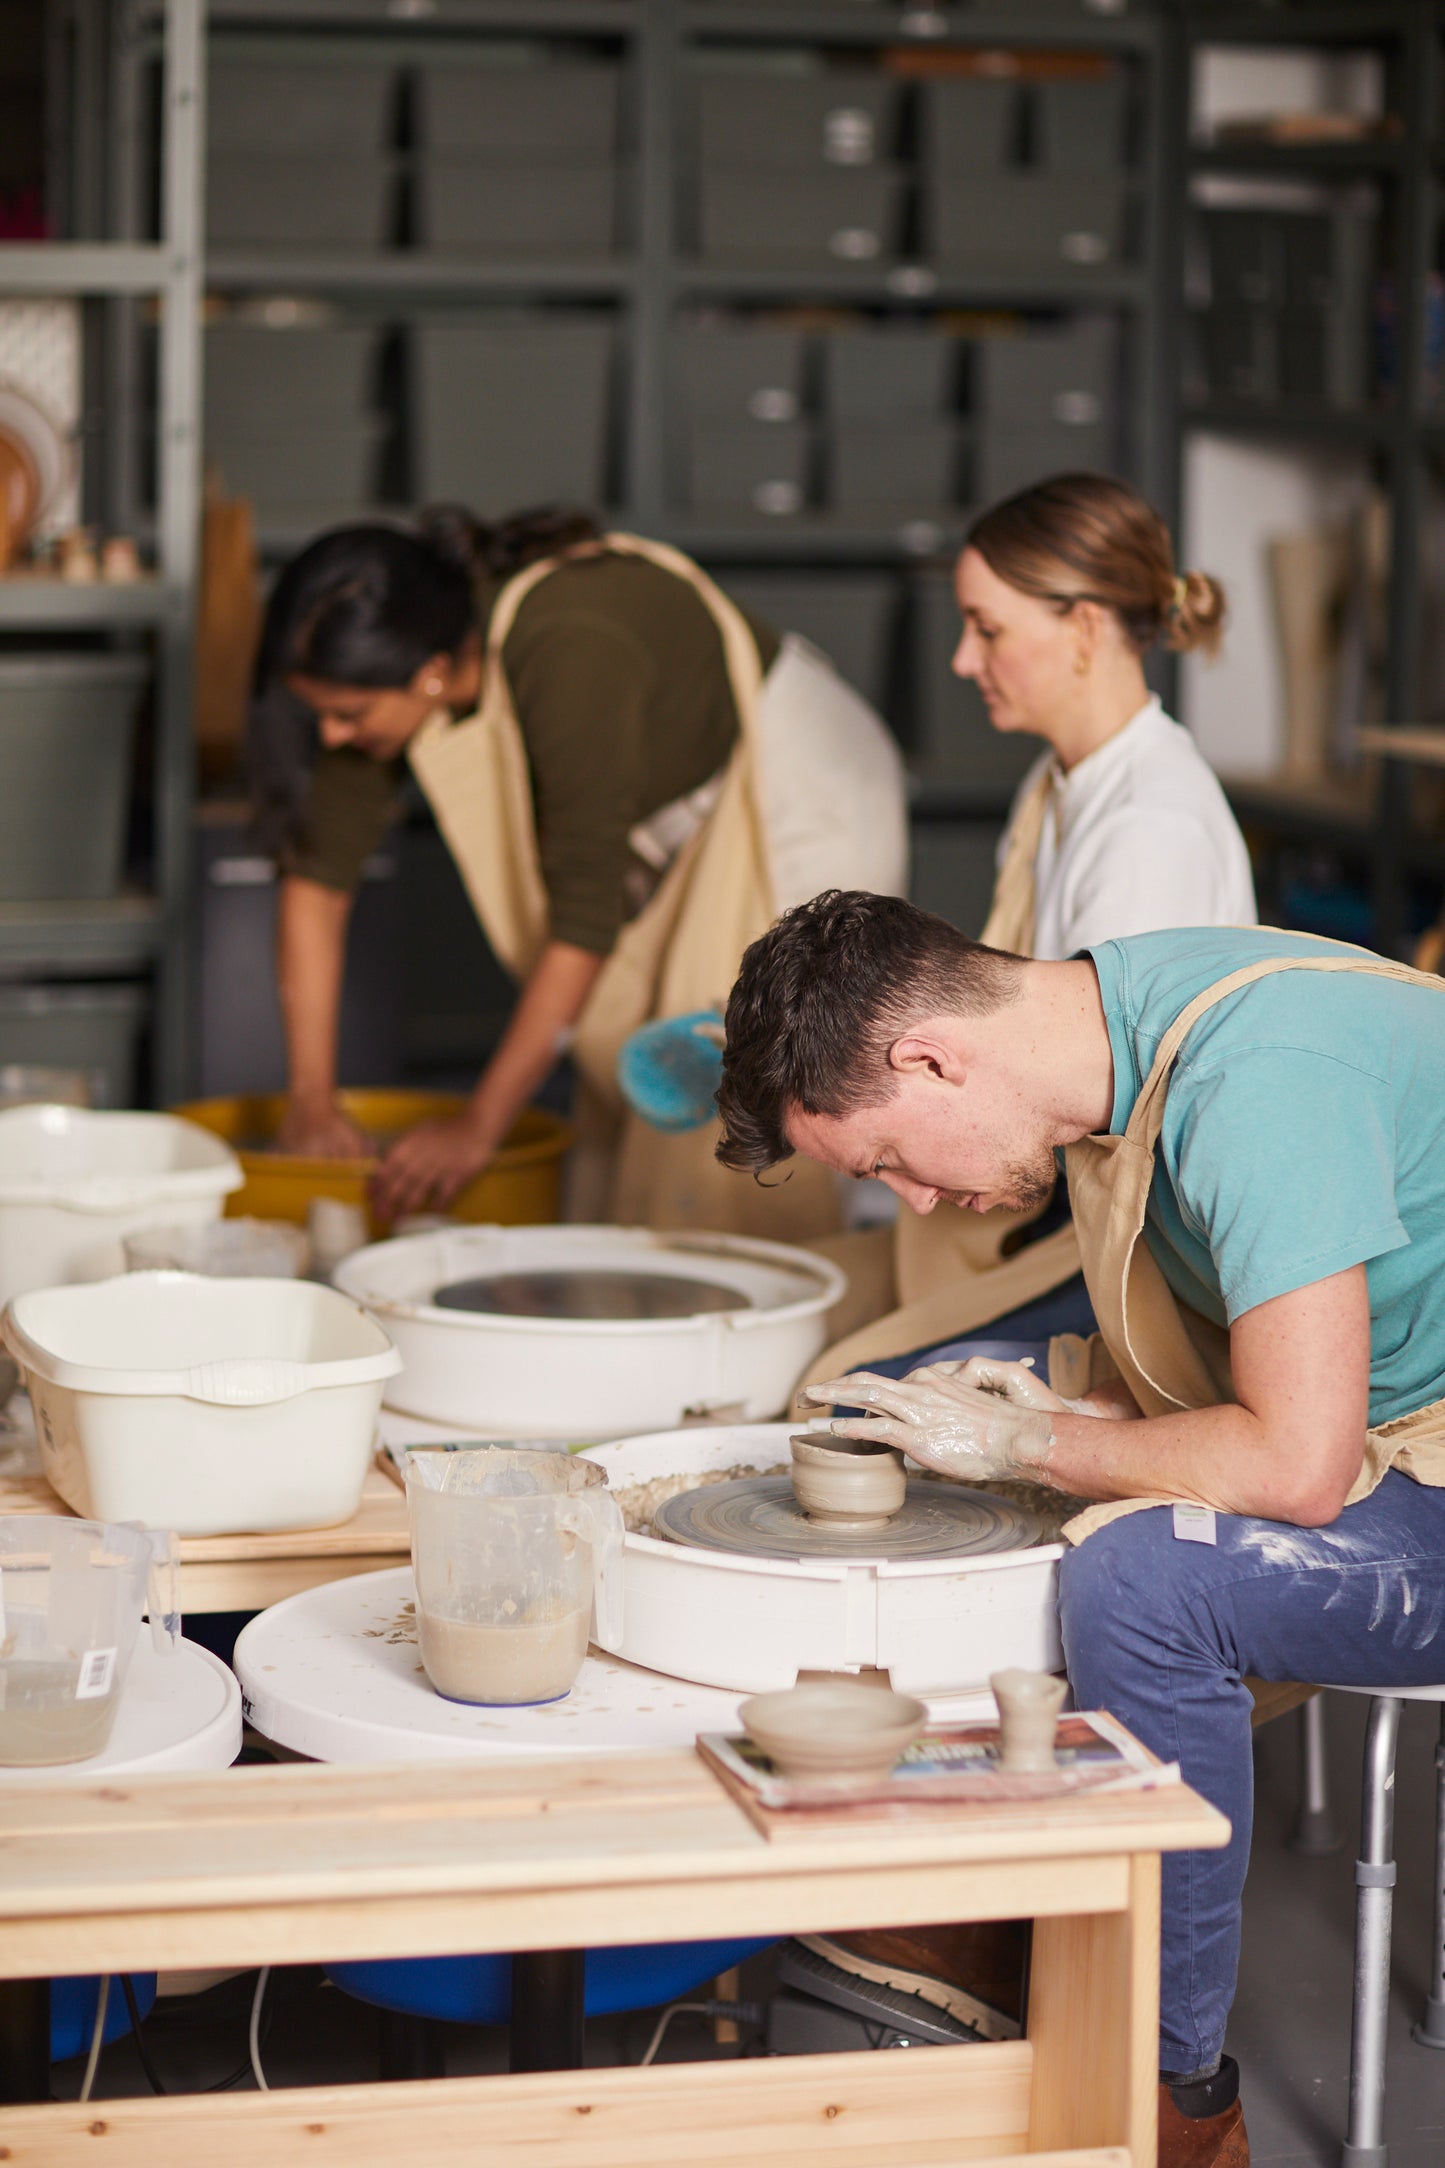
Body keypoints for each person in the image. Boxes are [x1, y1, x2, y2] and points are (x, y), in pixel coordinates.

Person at [714, 888, 1445, 2168]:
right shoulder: (1122, 1017)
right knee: (899, 1399)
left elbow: (1296, 1462)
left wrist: (1036, 1441)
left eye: (886, 1158)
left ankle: (1169, 2087)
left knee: (1137, 1576)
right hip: (1387, 1411)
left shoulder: (1256, 1078)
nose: (918, 1203)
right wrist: (1056, 1408)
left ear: (930, 1056)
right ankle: (999, 1890)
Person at [247, 510, 907, 1236]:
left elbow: (580, 924)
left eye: (349, 715)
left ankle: (776, 1306)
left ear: (431, 672)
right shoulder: (392, 661)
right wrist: (310, 1100)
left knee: (755, 1084)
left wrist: (478, 1125)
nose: (333, 736)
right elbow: (315, 883)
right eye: (321, 717)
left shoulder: (567, 645)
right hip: (665, 811)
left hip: (799, 789)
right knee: (643, 1087)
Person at [813, 472, 1258, 1378]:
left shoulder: (1148, 827)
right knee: (805, 1298)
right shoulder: (1060, 784)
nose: (962, 662)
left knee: (846, 1391)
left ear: (1085, 628)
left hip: (1126, 1241)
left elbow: (1081, 1126)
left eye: (987, 629)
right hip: (1054, 1209)